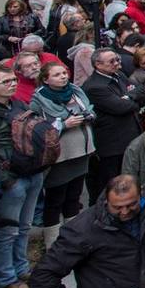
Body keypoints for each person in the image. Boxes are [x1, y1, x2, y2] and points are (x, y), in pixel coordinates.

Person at [30, 172, 145, 288]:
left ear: (141, 195)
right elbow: (42, 276)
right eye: (117, 207)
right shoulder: (83, 230)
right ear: (107, 200)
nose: (125, 212)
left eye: (131, 205)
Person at [0, 63, 44, 288]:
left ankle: (21, 268)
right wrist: (5, 181)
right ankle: (5, 278)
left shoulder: (18, 104)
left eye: (13, 80)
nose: (12, 84)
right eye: (6, 81)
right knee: (7, 232)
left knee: (24, 227)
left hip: (31, 173)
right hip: (9, 182)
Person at [32, 60, 97, 245]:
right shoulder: (39, 99)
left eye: (64, 73)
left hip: (82, 152)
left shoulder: (76, 91)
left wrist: (89, 116)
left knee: (73, 197)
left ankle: (73, 237)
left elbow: (89, 109)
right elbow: (37, 128)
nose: (63, 77)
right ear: (46, 79)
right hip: (61, 156)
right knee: (55, 200)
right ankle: (52, 242)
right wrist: (63, 124)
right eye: (57, 75)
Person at [83, 46, 145, 196]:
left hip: (129, 136)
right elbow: (121, 107)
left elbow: (142, 91)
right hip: (112, 145)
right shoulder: (94, 86)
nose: (116, 63)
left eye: (117, 59)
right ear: (98, 65)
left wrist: (129, 97)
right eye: (111, 61)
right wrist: (132, 99)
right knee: (112, 184)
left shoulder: (119, 75)